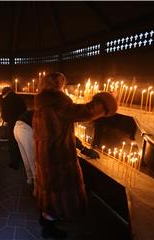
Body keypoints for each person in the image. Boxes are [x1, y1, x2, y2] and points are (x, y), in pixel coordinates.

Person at [33, 72, 118, 239]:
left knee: (48, 189)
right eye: (61, 84)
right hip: (58, 156)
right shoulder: (58, 102)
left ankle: (44, 219)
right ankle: (48, 229)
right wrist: (105, 101)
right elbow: (85, 112)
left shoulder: (41, 103)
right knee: (57, 191)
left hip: (45, 155)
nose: (63, 87)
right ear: (57, 85)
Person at [14, 110, 100, 189]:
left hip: (17, 128)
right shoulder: (59, 118)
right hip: (26, 129)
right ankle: (37, 189)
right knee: (35, 161)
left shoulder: (52, 113)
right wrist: (84, 150)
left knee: (27, 159)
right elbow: (69, 136)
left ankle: (30, 181)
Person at [1, 87, 27, 169]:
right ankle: (24, 161)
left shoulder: (5, 100)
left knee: (12, 144)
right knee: (21, 143)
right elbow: (24, 109)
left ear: (5, 93)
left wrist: (7, 119)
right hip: (21, 122)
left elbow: (4, 116)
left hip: (12, 124)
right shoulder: (19, 97)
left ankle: (14, 164)